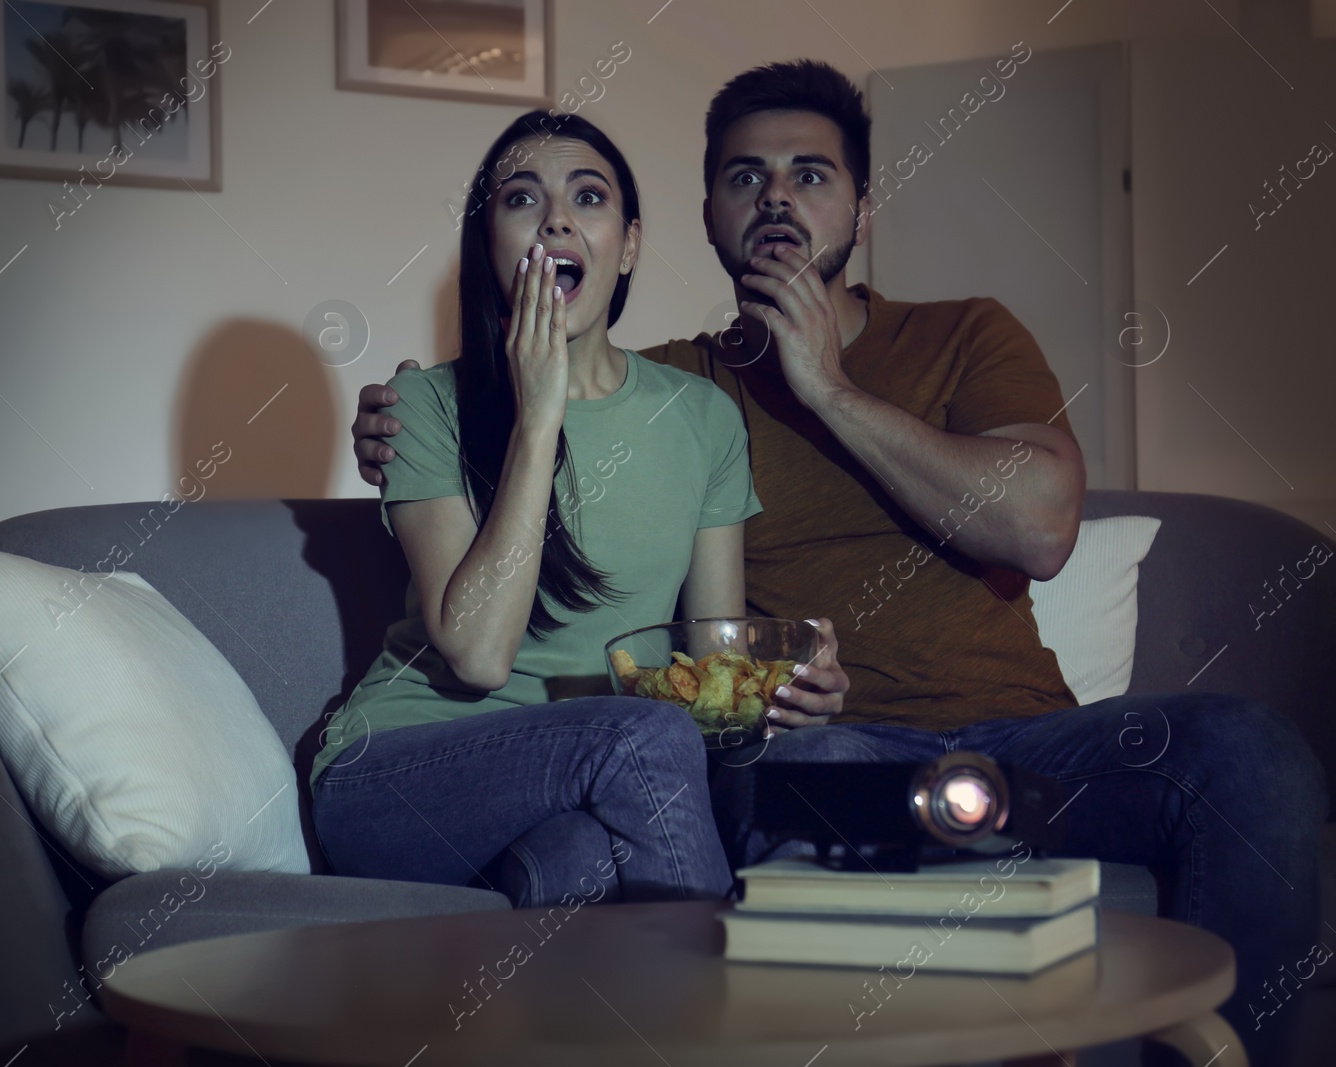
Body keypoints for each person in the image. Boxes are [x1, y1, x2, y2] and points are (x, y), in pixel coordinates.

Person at [353, 60, 1326, 1065]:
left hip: (1037, 740)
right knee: (788, 788)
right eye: (745, 177)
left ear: (860, 210)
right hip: (827, 749)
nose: (775, 195)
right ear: (703, 216)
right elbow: (546, 405)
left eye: (808, 175)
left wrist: (827, 389)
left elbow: (1039, 525)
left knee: (1245, 748)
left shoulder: (963, 334)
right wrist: (408, 413)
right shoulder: (682, 392)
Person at [311, 109, 849, 909]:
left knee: (579, 860)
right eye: (521, 199)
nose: (556, 216)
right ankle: (726, 1012)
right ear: (489, 240)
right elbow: (481, 657)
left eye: (587, 197)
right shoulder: (424, 406)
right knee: (645, 735)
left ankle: (517, 973)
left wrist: (781, 688)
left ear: (628, 244)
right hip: (398, 774)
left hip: (584, 777)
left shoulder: (700, 417)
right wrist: (539, 416)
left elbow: (707, 671)